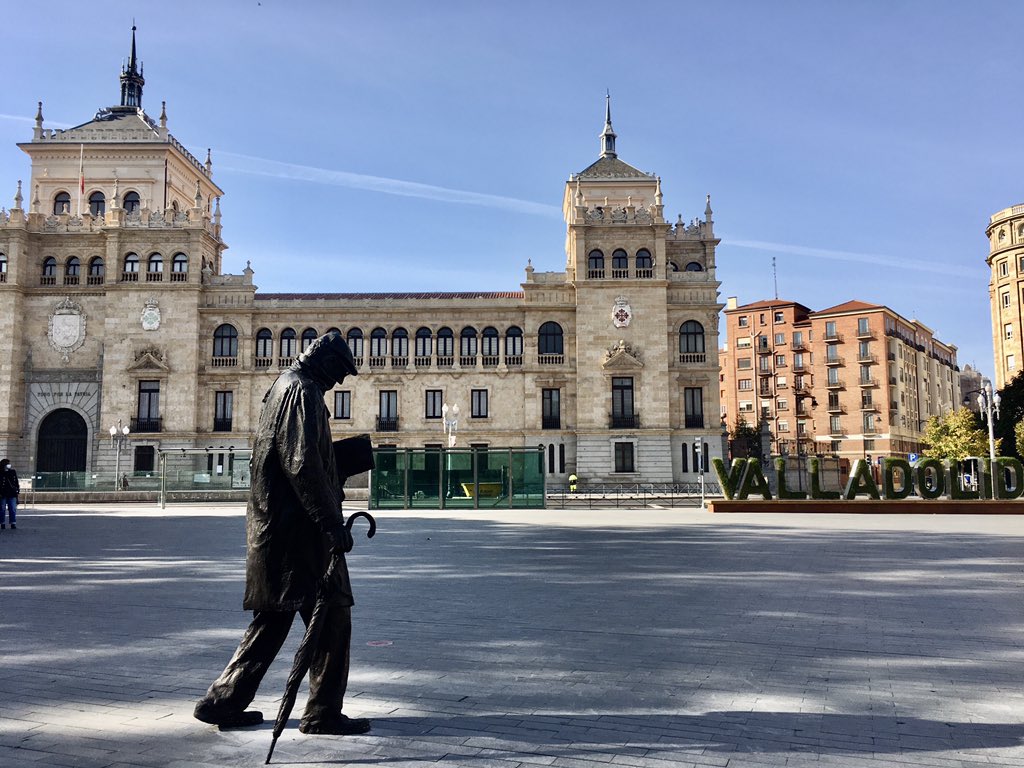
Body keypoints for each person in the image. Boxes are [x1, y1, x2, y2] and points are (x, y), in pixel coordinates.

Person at [194, 331, 370, 736]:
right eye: (339, 372)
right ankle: (322, 713)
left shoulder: (283, 387)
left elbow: (296, 455)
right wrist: (329, 522)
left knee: (272, 623)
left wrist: (347, 455)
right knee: (332, 617)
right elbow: (301, 463)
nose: (339, 382)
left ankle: (222, 702)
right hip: (299, 538)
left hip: (278, 533)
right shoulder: (302, 392)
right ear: (323, 362)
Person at [0, 459, 18, 529]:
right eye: (7, 463)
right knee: (2, 509)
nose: (9, 465)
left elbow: (16, 481)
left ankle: (13, 523)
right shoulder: (0, 472)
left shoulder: (12, 472)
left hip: (12, 493)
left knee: (13, 508)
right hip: (2, 493)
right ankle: (2, 523)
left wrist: (17, 490)